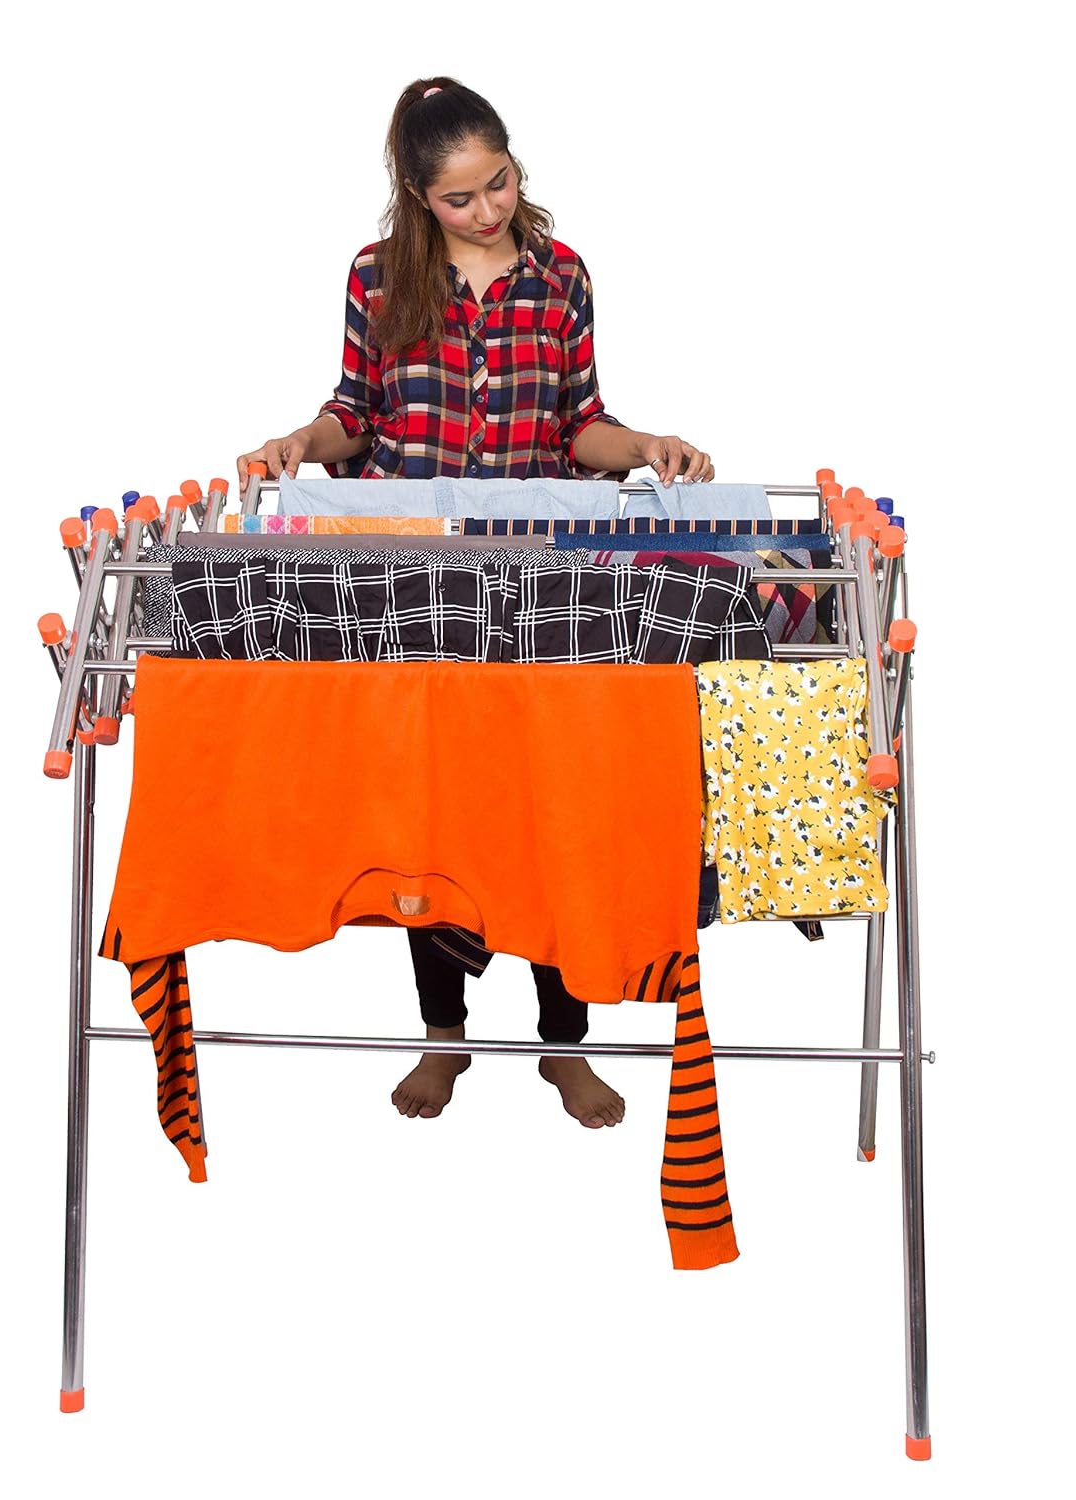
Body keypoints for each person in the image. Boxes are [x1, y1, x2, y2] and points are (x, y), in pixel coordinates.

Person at [239, 76, 715, 1130]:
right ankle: (444, 1033)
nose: (489, 208)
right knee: (433, 806)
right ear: (418, 194)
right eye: (460, 197)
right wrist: (300, 442)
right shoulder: (378, 277)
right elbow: (355, 414)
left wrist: (642, 446)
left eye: (499, 182)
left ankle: (563, 1045)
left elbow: (578, 422)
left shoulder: (560, 274)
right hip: (410, 578)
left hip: (535, 577)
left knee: (548, 801)